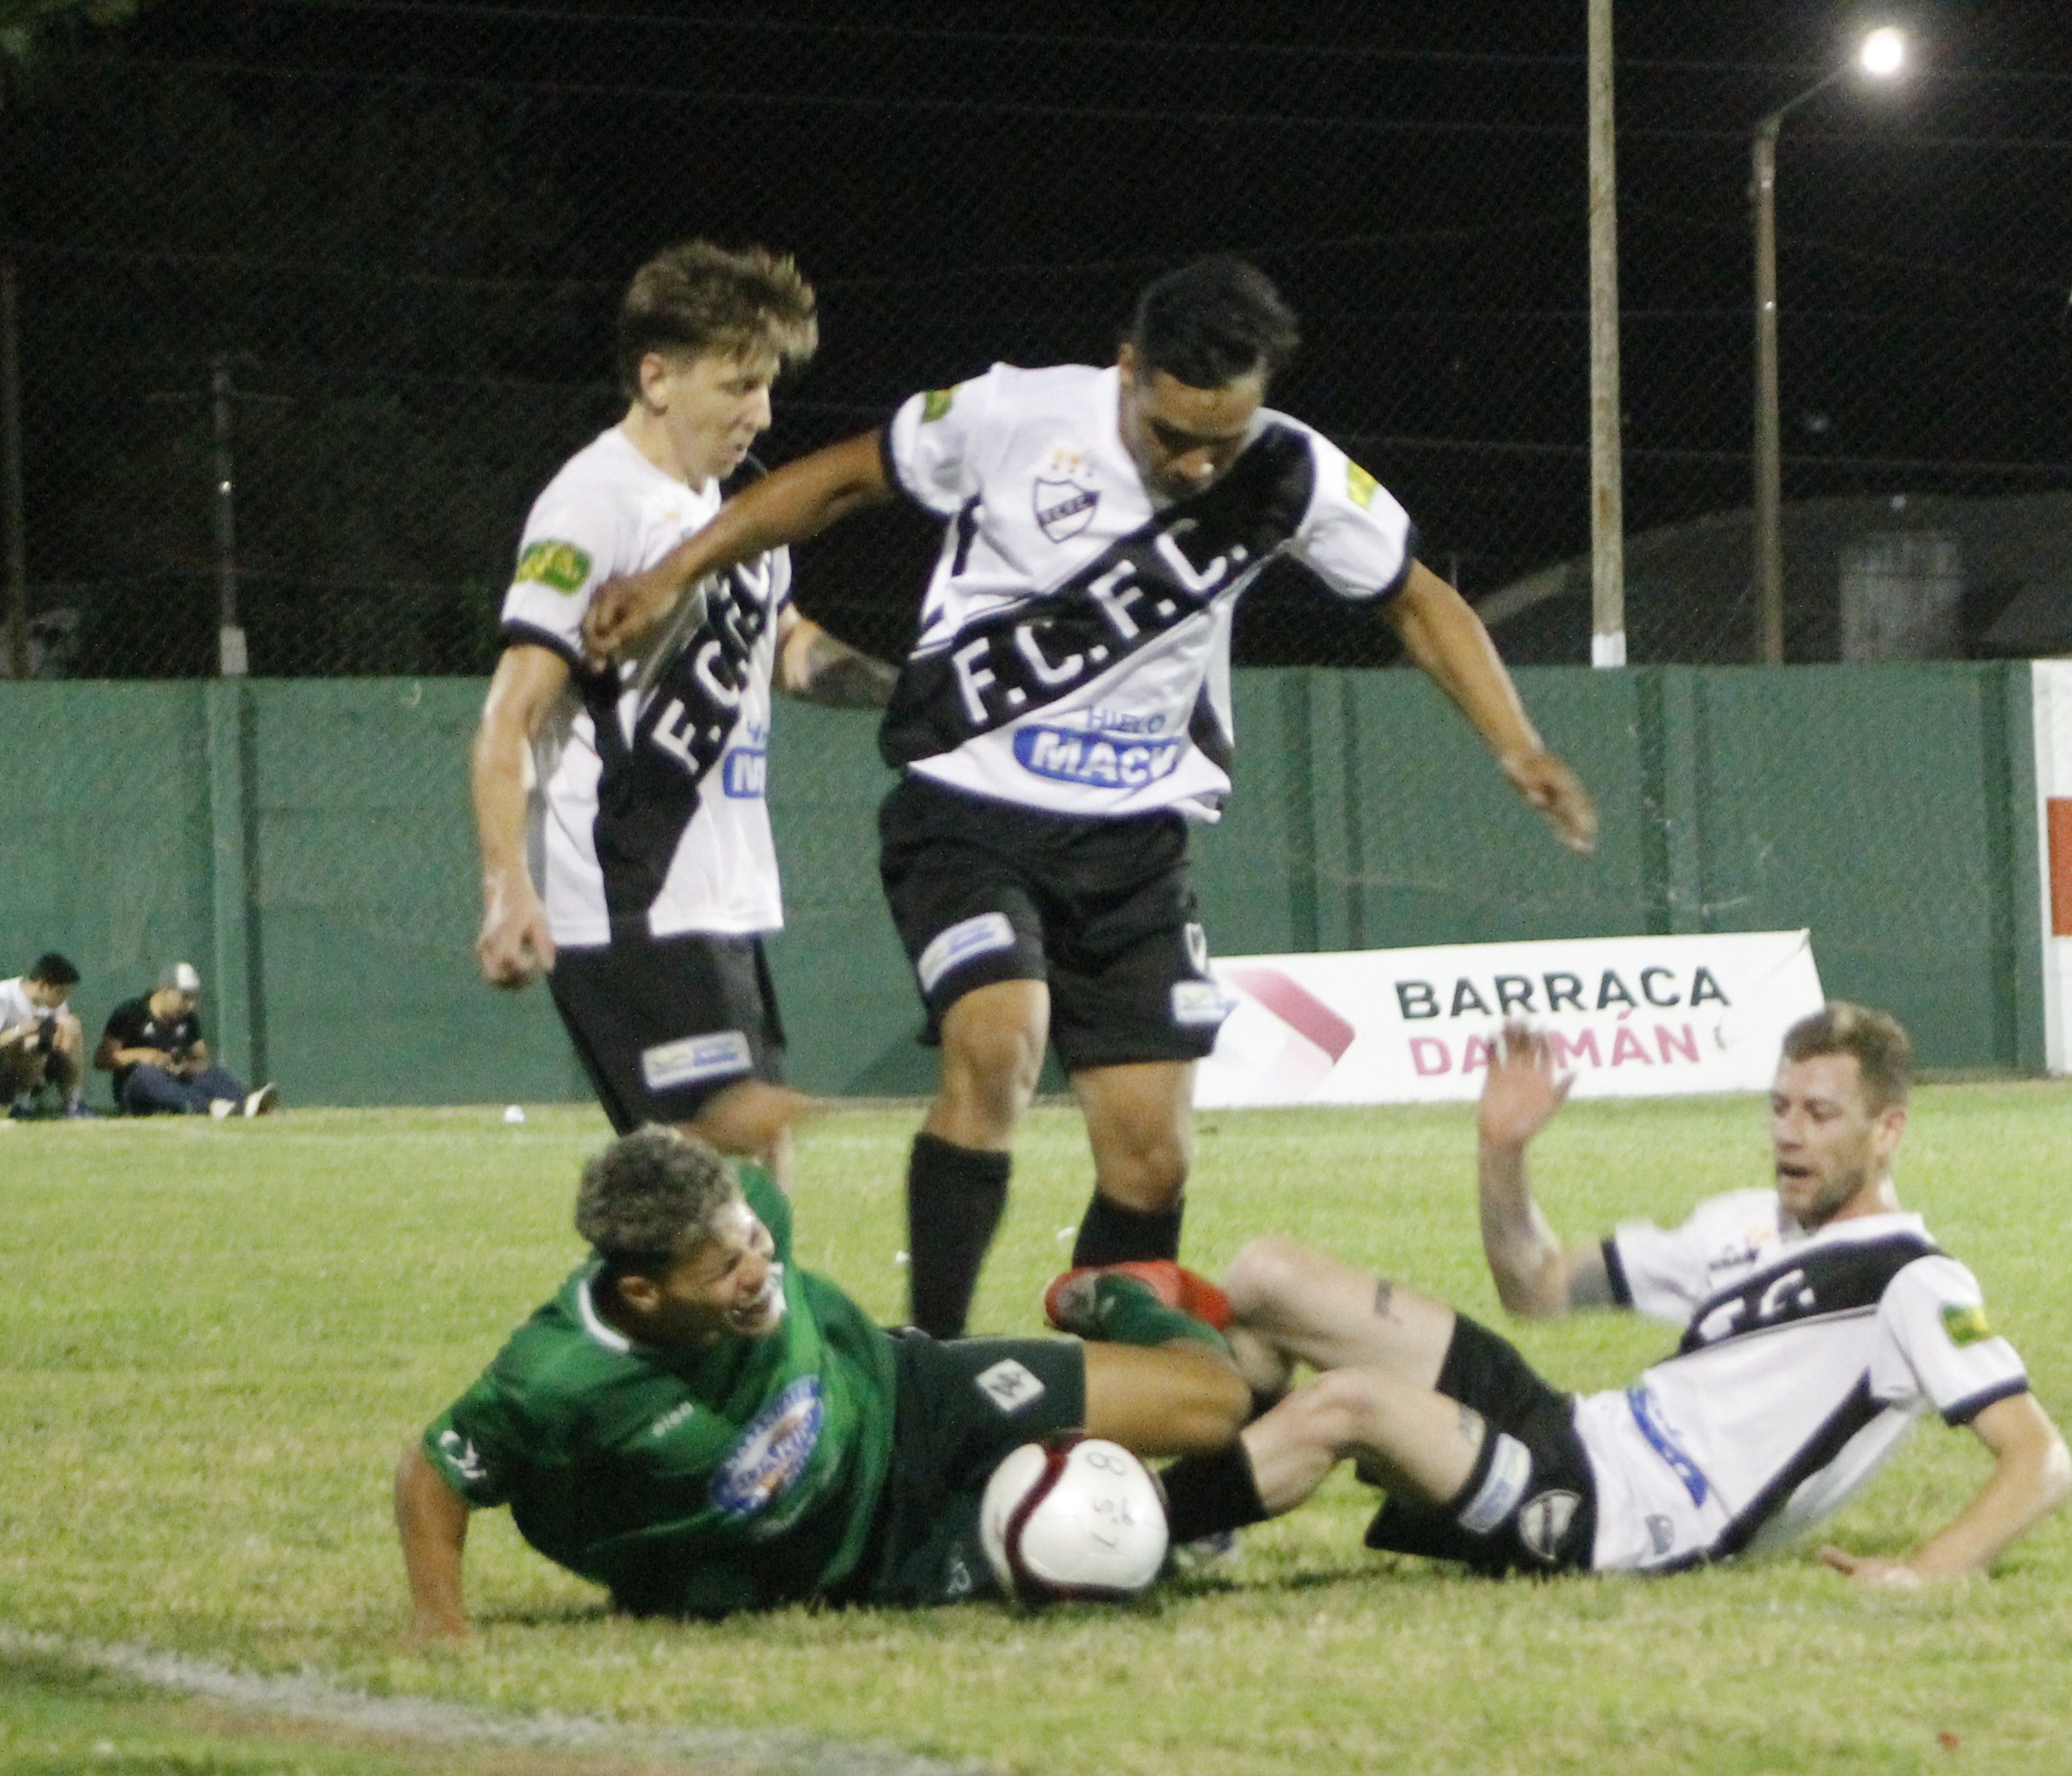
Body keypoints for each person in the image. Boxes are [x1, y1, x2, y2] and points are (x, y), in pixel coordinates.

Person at [586, 256, 1599, 1340]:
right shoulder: (1013, 413)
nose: (1201, 462)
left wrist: (1516, 743)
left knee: (1152, 1159)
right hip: (966, 816)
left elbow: (1415, 595)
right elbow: (838, 478)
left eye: (1226, 435)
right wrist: (675, 570)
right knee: (1000, 1038)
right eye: (1172, 435)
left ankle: (1113, 1391)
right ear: (1126, 369)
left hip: (1136, 847)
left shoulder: (1287, 471)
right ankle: (934, 1359)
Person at [1143, 1006, 2072, 1587]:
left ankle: (1118, 1532)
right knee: (1268, 1275)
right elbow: (1536, 1284)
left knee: (1348, 1403)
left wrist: (1919, 1572)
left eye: (1819, 1114)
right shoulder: (1744, 1222)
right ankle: (1210, 1521)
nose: (1788, 1134)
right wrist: (1502, 1153)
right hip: (1574, 1430)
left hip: (1618, 1518)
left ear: (1887, 1131)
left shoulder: (1911, 1280)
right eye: (1779, 1106)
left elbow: (2037, 1459)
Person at [394, 1127, 1249, 1642]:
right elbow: (435, 1473)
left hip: (914, 1395)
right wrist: (440, 1622)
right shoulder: (555, 1376)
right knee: (1074, 1568)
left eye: (755, 1240)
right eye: (726, 1267)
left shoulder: (746, 1204)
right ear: (642, 1294)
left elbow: (748, 1176)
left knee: (1216, 1401)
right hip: (860, 1559)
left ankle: (1112, 1291)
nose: (759, 1270)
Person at [468, 241, 898, 1166]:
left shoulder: (733, 507)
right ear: (657, 377)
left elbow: (783, 645)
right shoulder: (593, 503)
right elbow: (509, 713)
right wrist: (508, 884)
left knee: (731, 1191)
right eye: (739, 385)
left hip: (719, 895)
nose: (762, 412)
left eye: (768, 385)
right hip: (629, 899)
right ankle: (611, 1312)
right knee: (720, 1185)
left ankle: (651, 1306)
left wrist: (908, 694)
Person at [95, 963, 274, 1118]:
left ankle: (246, 1102)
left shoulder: (188, 1020)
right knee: (144, 1074)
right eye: (185, 997)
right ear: (165, 990)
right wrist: (143, 1055)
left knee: (208, 1073)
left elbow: (202, 1059)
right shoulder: (130, 1013)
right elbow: (103, 1058)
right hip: (136, 1088)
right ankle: (207, 1107)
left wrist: (185, 1067)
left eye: (194, 998)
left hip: (177, 1080)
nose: (191, 1005)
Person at [0, 952, 90, 1117]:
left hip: (39, 1069)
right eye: (60, 992)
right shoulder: (4, 996)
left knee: (71, 1025)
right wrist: (19, 1032)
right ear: (42, 986)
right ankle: (21, 1105)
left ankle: (73, 1104)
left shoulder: (54, 1005)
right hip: (6, 1071)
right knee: (32, 1041)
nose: (64, 999)